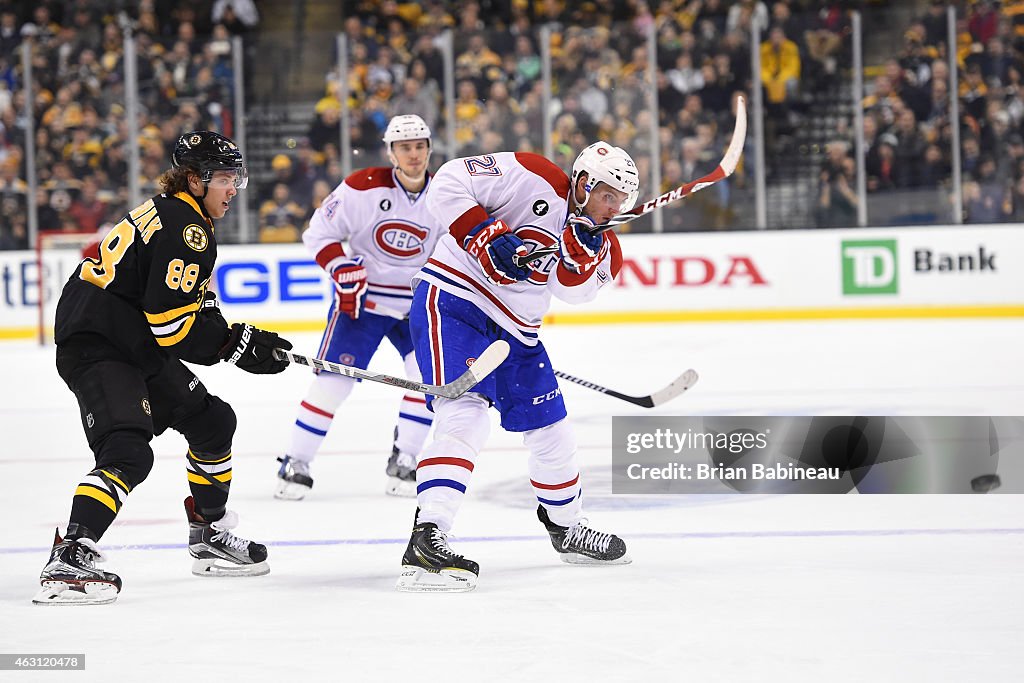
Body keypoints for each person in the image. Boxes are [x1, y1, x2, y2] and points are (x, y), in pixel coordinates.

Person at [34, 131, 293, 605]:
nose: (234, 187)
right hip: (100, 343)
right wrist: (236, 347)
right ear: (195, 180)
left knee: (213, 422)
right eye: (225, 178)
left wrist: (236, 338)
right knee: (129, 451)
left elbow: (192, 303)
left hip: (128, 337)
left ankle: (209, 534)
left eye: (237, 176)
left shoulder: (182, 215)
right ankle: (70, 553)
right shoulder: (186, 228)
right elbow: (174, 329)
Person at [397, 142, 639, 592]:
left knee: (553, 429)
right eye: (609, 195)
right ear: (583, 184)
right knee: (465, 415)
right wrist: (482, 233)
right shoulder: (531, 172)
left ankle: (567, 528)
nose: (615, 207)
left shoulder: (604, 245)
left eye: (621, 200)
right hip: (454, 300)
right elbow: (448, 183)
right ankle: (428, 537)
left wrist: (579, 257)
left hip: (519, 330)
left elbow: (575, 293)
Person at [276, 115, 443, 500]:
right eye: (405, 147)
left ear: (429, 149)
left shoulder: (444, 193)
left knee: (426, 380)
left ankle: (406, 458)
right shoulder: (361, 187)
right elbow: (318, 234)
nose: (414, 154)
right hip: (364, 302)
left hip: (417, 304)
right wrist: (340, 266)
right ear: (391, 152)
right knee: (334, 380)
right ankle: (295, 461)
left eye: (420, 146)